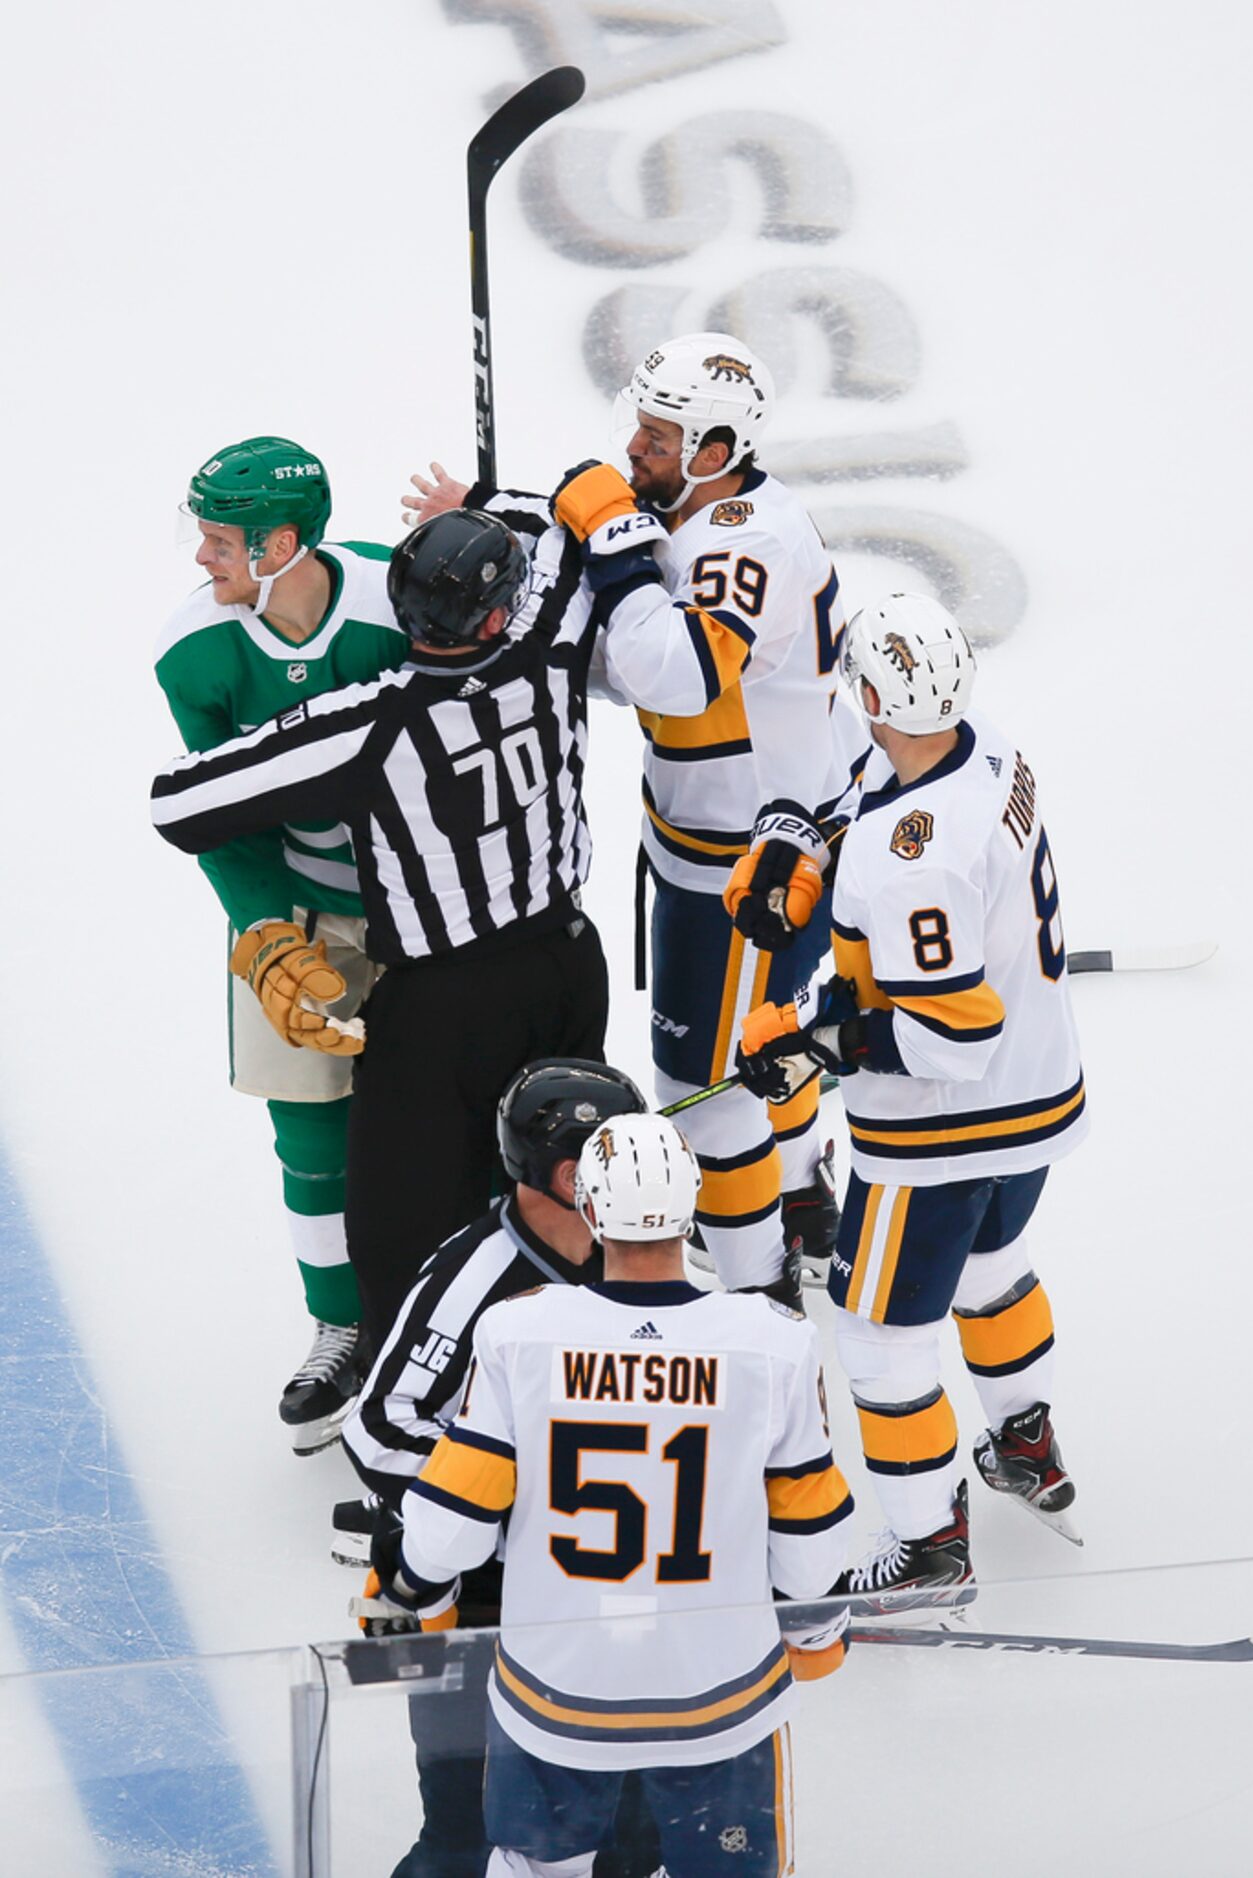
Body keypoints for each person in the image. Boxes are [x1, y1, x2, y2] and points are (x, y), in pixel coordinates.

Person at [404, 331, 863, 1305]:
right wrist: (503, 539)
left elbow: (677, 673)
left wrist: (613, 544)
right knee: (764, 1043)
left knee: (704, 1095)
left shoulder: (746, 538)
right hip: (727, 831)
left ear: (715, 448)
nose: (636, 453)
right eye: (640, 429)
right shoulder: (705, 515)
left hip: (749, 858)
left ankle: (754, 1294)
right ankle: (799, 1200)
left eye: (659, 438)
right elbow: (618, 657)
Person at [152, 507, 634, 1354]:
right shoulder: (551, 647)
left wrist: (287, 735)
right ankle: (569, 1366)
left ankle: (410, 1418)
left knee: (398, 1232)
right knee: (560, 1185)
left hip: (440, 1002)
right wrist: (490, 500)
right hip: (565, 965)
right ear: (497, 616)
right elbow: (566, 539)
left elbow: (180, 802)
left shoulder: (367, 723)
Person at [361, 1111, 855, 1877]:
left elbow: (452, 1530)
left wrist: (410, 1578)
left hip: (558, 1694)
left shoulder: (518, 1333)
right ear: (691, 1207)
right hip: (719, 1697)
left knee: (533, 1868)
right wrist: (817, 1634)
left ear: (590, 1210)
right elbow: (811, 1544)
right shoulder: (773, 1340)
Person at [736, 593, 1088, 1612]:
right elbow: (877, 794)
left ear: (878, 692)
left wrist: (811, 1041)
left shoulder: (908, 865)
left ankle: (929, 1547)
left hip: (942, 1130)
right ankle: (1026, 1440)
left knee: (877, 1339)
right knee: (994, 1267)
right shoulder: (988, 748)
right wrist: (805, 852)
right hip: (1037, 1093)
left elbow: (950, 1031)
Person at [155, 435, 408, 1452]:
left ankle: (477, 1319)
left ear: (283, 543)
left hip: (428, 909)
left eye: (220, 541)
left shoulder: (398, 602)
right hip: (309, 914)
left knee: (472, 1119)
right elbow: (222, 813)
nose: (201, 560)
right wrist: (263, 932)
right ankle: (341, 1325)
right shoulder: (197, 652)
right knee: (311, 1139)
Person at [346, 1058, 652, 1878]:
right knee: (465, 1836)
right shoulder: (474, 1277)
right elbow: (380, 1428)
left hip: (601, 1603)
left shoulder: (644, 1258)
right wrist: (509, 1513)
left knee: (632, 1835)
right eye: (615, 1156)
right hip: (477, 1602)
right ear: (561, 1172)